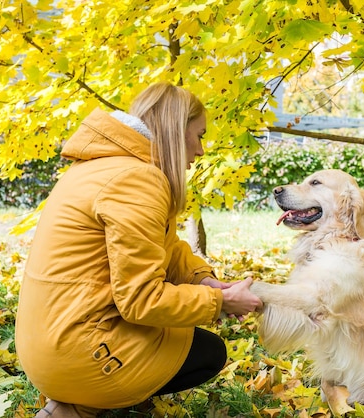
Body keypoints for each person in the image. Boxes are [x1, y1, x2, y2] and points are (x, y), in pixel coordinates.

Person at [15, 82, 263, 418]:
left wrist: (203, 280)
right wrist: (221, 303)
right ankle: (80, 405)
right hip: (79, 353)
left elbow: (164, 247)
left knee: (179, 326)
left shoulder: (104, 164)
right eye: (200, 135)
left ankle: (66, 406)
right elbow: (141, 300)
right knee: (207, 351)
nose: (201, 150)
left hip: (43, 345)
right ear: (177, 131)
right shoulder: (138, 179)